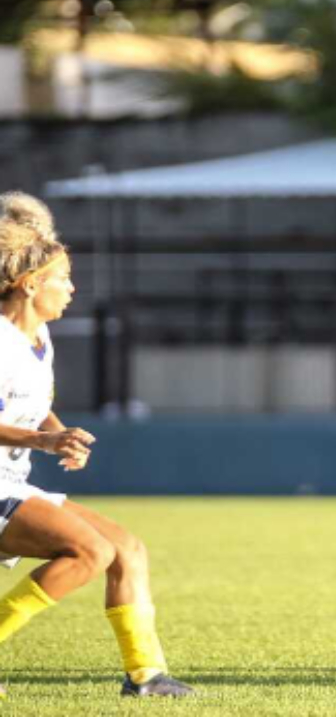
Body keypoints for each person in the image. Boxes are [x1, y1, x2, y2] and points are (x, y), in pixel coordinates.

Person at [0, 191, 194, 698]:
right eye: (62, 279)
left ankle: (146, 677)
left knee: (127, 550)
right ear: (29, 284)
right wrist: (46, 440)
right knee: (90, 551)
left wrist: (59, 435)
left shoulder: (38, 339)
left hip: (10, 481)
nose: (71, 288)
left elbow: (33, 404)